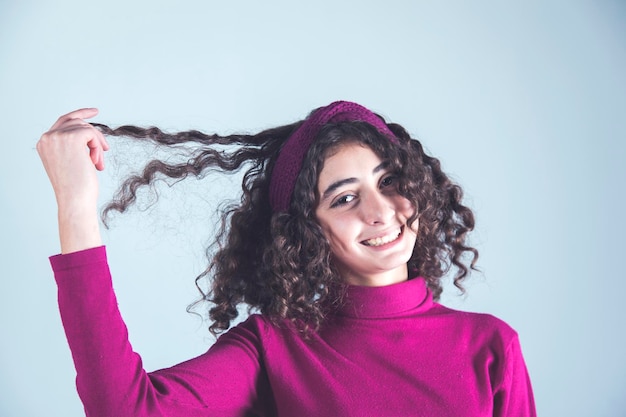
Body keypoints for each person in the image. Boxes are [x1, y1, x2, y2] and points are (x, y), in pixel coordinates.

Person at [37, 101, 536, 417]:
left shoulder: (491, 347)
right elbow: (124, 411)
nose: (380, 212)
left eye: (389, 182)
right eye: (344, 198)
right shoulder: (275, 347)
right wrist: (76, 206)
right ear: (306, 232)